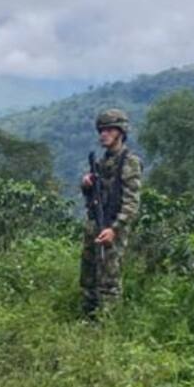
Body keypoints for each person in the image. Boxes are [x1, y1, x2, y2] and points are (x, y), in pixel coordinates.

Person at [80, 107, 142, 317]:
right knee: (88, 277)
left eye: (108, 130)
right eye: (101, 130)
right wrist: (87, 185)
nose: (103, 134)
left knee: (109, 281)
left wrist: (114, 229)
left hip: (114, 227)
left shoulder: (129, 162)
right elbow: (93, 198)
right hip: (96, 224)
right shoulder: (101, 162)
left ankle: (106, 327)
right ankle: (88, 322)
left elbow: (131, 203)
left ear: (120, 132)